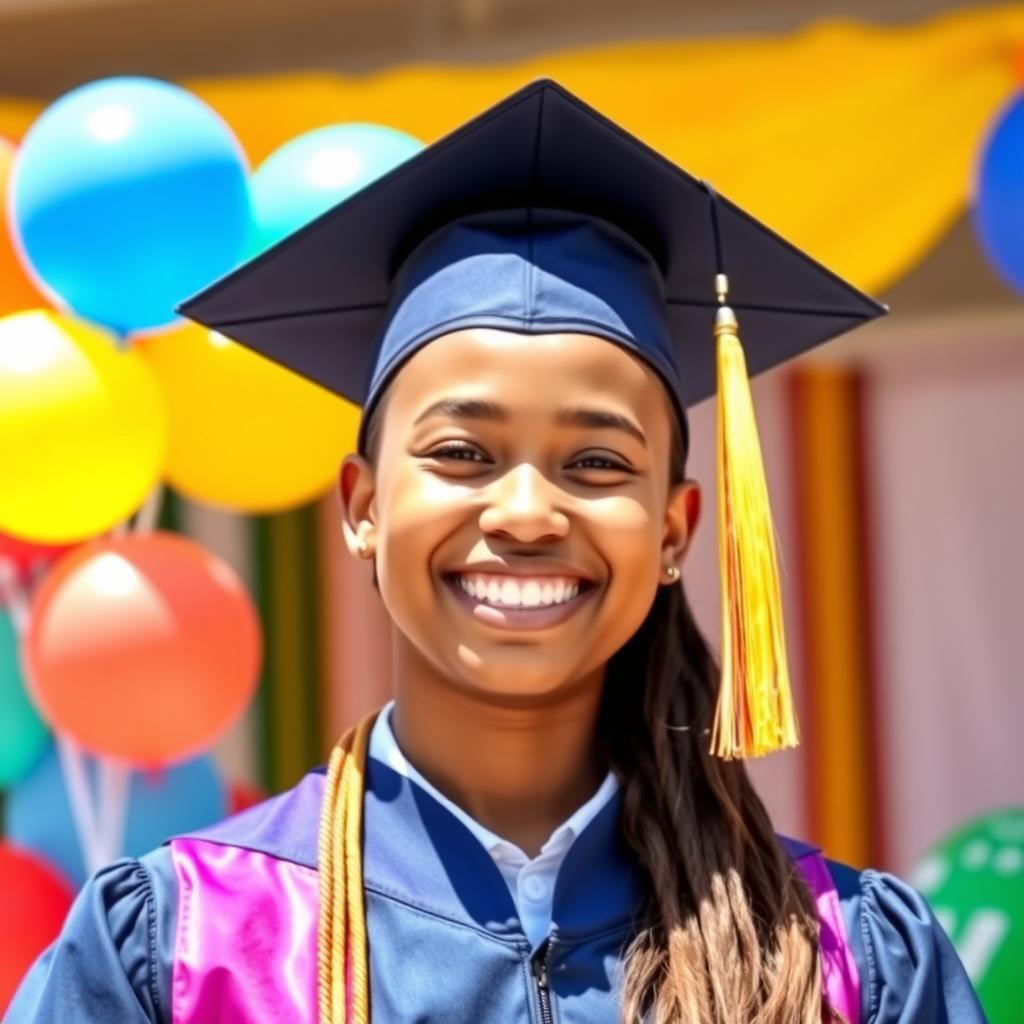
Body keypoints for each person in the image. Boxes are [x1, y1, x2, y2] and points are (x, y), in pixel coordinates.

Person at [5, 78, 986, 1024]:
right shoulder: (184, 951)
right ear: (362, 506)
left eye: (596, 461)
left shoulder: (845, 964)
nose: (524, 512)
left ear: (677, 528)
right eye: (461, 452)